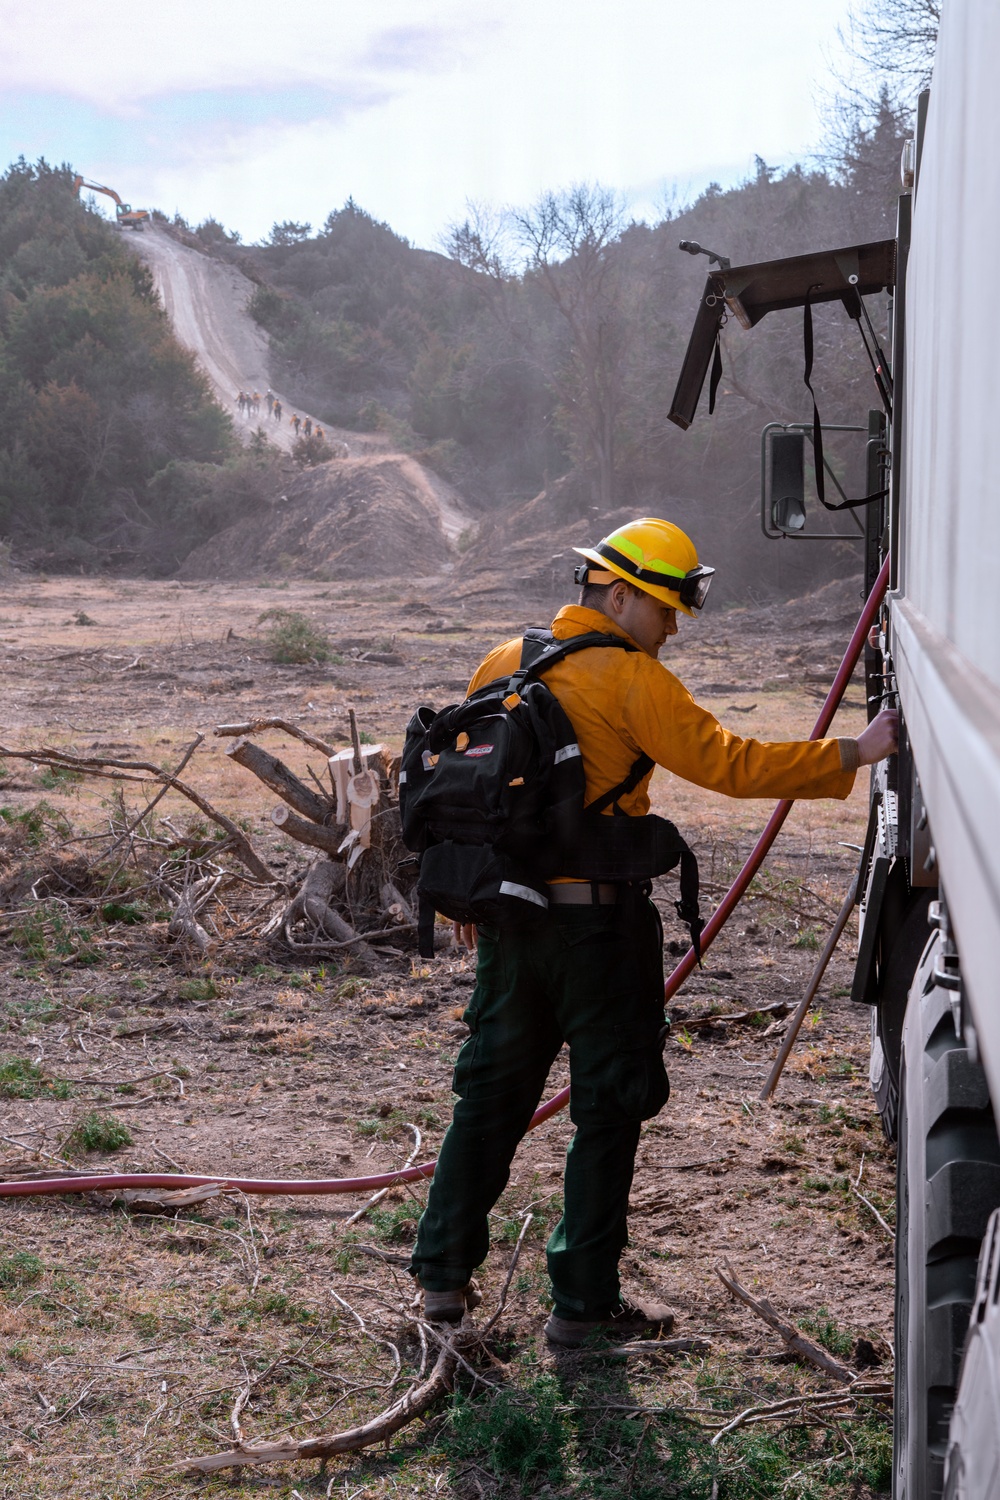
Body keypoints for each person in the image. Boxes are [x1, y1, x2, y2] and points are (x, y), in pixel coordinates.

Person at [408, 517, 898, 1346]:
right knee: (609, 1108)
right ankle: (583, 1305)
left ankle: (442, 1284)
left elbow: (470, 784)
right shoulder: (633, 682)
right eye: (667, 609)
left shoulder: (504, 661)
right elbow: (731, 765)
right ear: (622, 593)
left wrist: (477, 903)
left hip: (511, 926)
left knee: (488, 1100)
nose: (673, 628)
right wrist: (853, 751)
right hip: (599, 933)